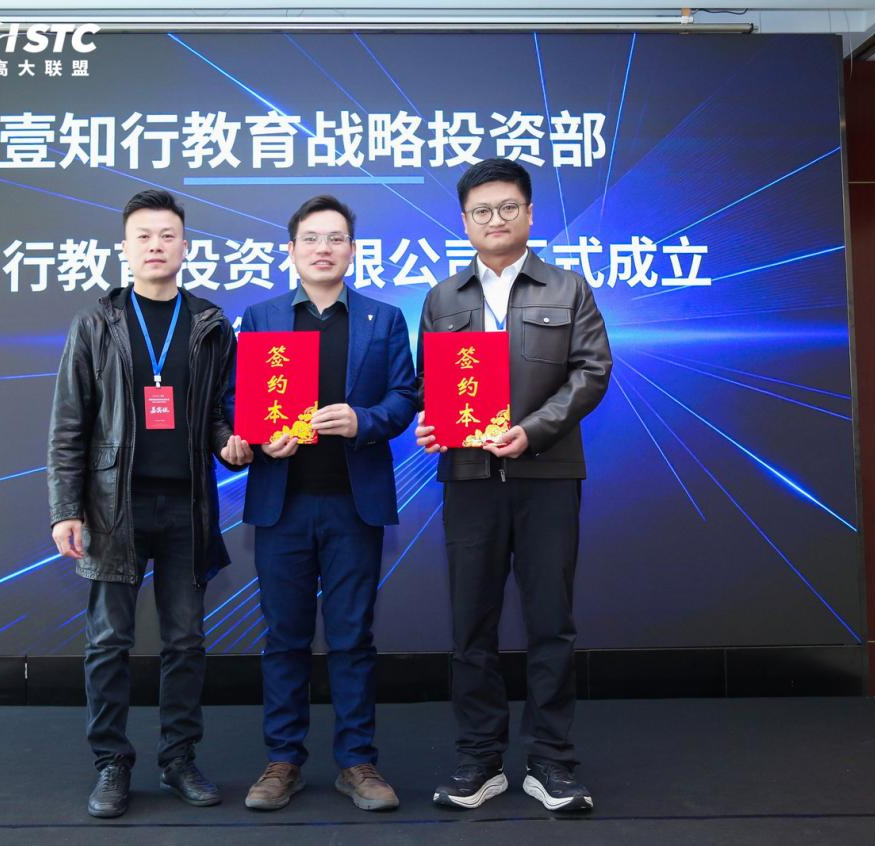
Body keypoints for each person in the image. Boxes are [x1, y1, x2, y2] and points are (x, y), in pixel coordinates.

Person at [47, 189, 254, 818]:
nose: (156, 246)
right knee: (108, 641)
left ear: (185, 246)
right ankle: (111, 762)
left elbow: (218, 414)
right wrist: (65, 508)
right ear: (125, 247)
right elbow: (69, 424)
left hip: (186, 506)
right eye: (144, 236)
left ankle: (179, 759)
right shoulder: (95, 323)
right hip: (114, 507)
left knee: (185, 641)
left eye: (167, 235)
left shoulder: (210, 324)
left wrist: (232, 445)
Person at [414, 159, 612, 813]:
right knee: (470, 623)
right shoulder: (443, 298)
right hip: (469, 478)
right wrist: (430, 423)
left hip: (546, 474)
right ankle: (479, 758)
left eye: (506, 208)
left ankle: (552, 761)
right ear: (464, 221)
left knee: (551, 622)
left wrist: (532, 431)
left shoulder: (568, 287)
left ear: (529, 214)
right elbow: (430, 383)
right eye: (481, 211)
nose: (493, 220)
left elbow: (591, 372)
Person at [234, 195, 417, 812]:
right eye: (311, 238)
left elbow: (405, 396)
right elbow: (236, 399)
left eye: (336, 238)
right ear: (291, 251)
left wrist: (364, 420)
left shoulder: (383, 318)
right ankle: (282, 761)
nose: (323, 248)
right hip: (281, 504)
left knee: (351, 638)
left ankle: (357, 762)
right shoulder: (260, 318)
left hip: (352, 504)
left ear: (353, 251)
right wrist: (261, 436)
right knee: (284, 639)